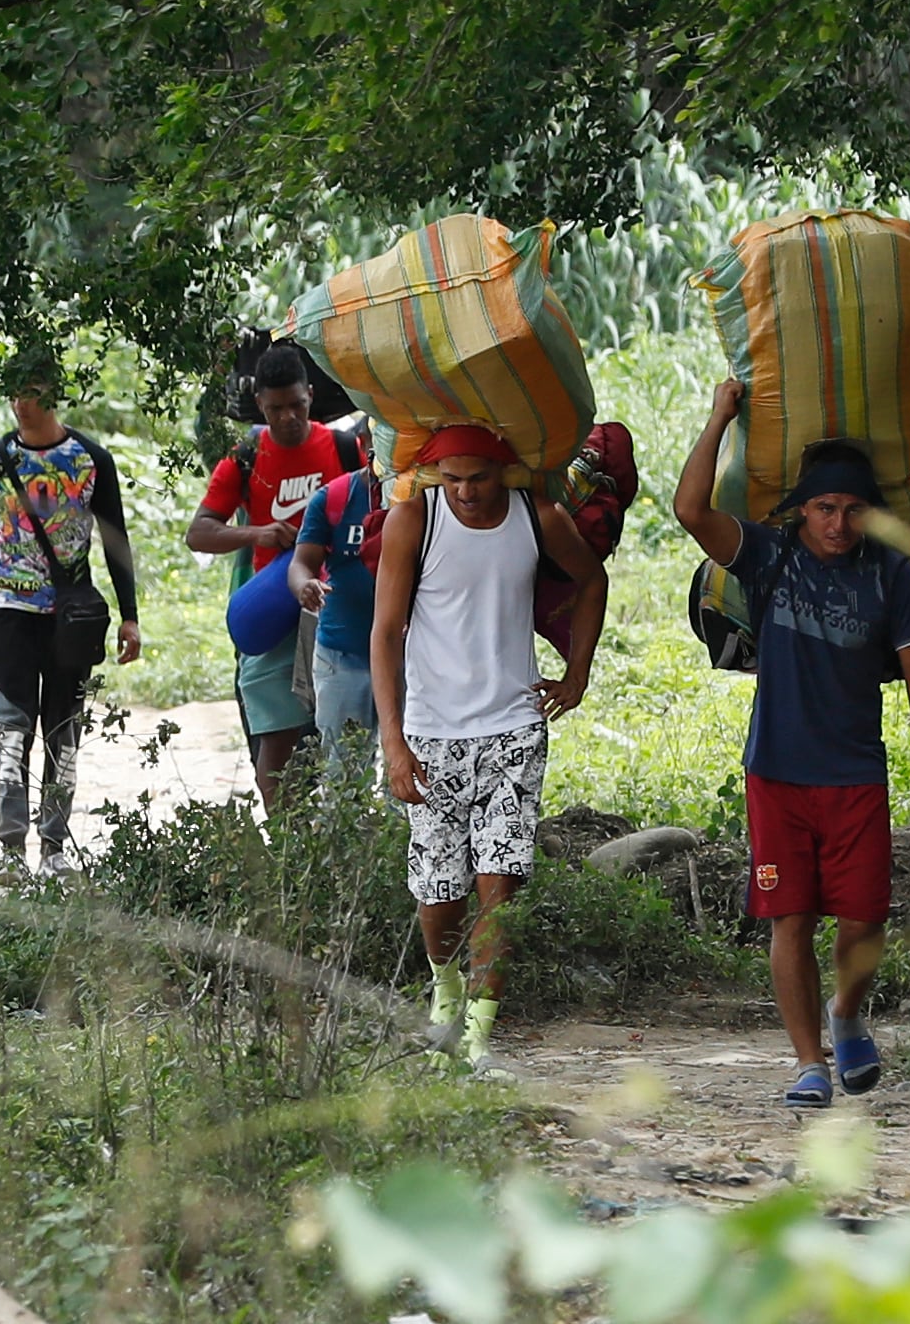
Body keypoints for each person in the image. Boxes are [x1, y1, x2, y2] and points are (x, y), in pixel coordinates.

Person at [670, 381, 910, 1109]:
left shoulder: (892, 575)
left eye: (854, 509)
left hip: (855, 772)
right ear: (801, 510)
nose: (838, 523)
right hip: (777, 773)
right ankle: (808, 1063)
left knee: (865, 918)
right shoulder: (768, 556)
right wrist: (719, 416)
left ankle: (848, 1012)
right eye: (825, 508)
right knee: (788, 918)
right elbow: (690, 510)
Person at [369, 423, 606, 1071]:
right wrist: (393, 741)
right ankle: (445, 989)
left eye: (478, 477)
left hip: (512, 730)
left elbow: (592, 580)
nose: (466, 492)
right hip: (431, 731)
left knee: (499, 884)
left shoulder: (540, 517)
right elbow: (385, 633)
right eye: (453, 479)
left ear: (504, 470)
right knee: (439, 892)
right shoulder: (413, 521)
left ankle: (477, 1033)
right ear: (436, 476)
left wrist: (578, 672)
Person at [0, 352, 143, 882]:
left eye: (30, 391)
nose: (20, 404)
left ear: (53, 394)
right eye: (12, 393)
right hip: (9, 612)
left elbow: (115, 539)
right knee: (11, 728)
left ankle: (53, 844)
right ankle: (11, 847)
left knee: (64, 730)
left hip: (69, 618)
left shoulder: (90, 459)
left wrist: (129, 615)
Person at [189, 344, 369, 809]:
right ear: (261, 407)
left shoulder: (345, 449)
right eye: (275, 410)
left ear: (310, 396)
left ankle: (340, 844)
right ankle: (286, 843)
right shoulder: (247, 455)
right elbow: (199, 532)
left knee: (341, 737)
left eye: (297, 406)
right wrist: (258, 533)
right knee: (273, 735)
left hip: (337, 608)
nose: (288, 417)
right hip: (273, 612)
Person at [293, 455, 391, 745]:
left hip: (409, 658)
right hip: (343, 653)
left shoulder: (421, 493)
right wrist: (304, 586)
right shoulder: (334, 497)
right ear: (366, 443)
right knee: (343, 771)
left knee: (408, 773)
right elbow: (301, 562)